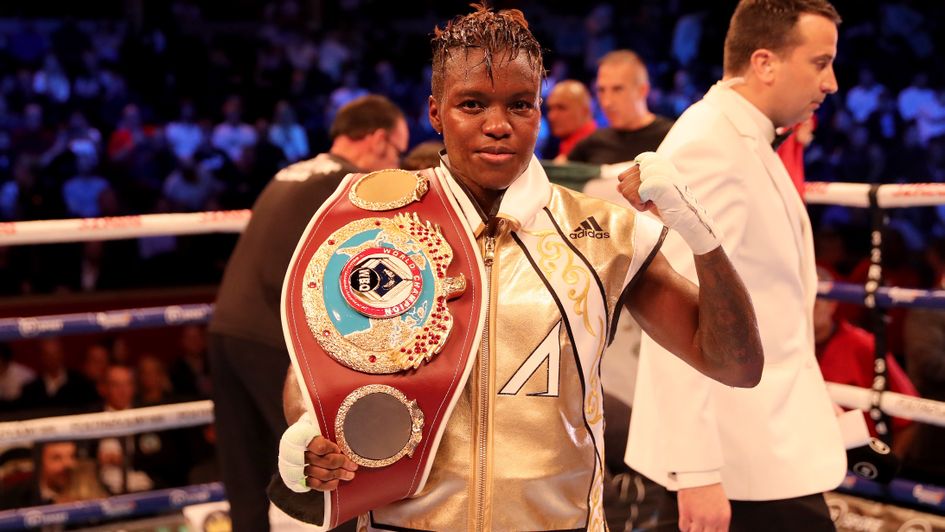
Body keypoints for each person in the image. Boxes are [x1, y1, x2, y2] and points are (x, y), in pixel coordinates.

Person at [276, 6, 763, 531]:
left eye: (519, 105)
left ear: (539, 111)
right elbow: (310, 376)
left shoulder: (605, 235)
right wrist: (306, 434)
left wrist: (702, 237)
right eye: (472, 104)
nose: (498, 125)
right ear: (436, 113)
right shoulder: (379, 227)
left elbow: (736, 365)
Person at [627, 2, 846, 531]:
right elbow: (676, 311)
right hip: (734, 460)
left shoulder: (742, 137)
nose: (832, 83)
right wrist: (696, 470)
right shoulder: (710, 145)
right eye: (820, 63)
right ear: (765, 63)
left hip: (763, 448)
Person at [209, 94, 408, 532]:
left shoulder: (291, 171)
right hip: (270, 333)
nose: (396, 165)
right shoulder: (351, 184)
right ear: (377, 141)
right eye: (397, 152)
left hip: (226, 328)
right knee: (327, 466)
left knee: (245, 479)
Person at [814, 266, 918, 452]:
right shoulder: (782, 348)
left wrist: (885, 471)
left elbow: (908, 412)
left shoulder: (864, 345)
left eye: (814, 303)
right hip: (808, 455)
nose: (805, 310)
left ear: (832, 305)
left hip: (856, 461)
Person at [567, 50, 674, 166]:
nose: (607, 102)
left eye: (617, 89)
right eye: (601, 90)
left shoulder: (672, 137)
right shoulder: (593, 142)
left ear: (642, 90)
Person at [545, 80, 597, 162]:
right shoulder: (566, 145)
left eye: (561, 108)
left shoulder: (596, 148)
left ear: (585, 111)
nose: (552, 116)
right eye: (550, 109)